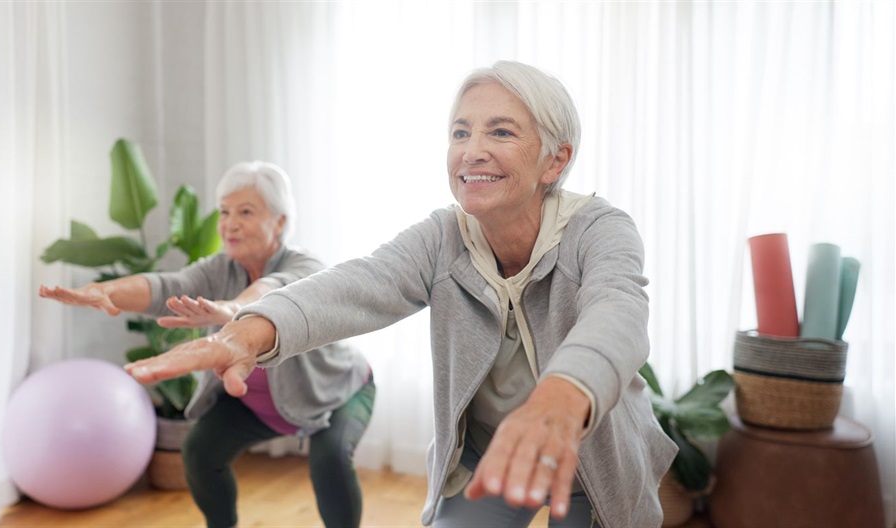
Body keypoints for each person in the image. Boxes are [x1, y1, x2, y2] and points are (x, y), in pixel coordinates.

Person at [125, 61, 677, 528]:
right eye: (461, 133)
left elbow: (618, 313)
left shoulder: (598, 229)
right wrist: (250, 331)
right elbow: (360, 283)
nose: (472, 151)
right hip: (488, 449)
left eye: (501, 133)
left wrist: (561, 396)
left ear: (554, 160)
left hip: (588, 448)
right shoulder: (443, 237)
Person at [40, 161, 375, 528]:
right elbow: (166, 286)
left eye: (245, 212)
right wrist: (106, 291)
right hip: (259, 403)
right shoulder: (219, 269)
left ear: (279, 221)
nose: (229, 223)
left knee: (329, 461)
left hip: (338, 392)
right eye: (224, 212)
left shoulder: (307, 265)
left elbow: (272, 290)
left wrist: (231, 308)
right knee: (200, 450)